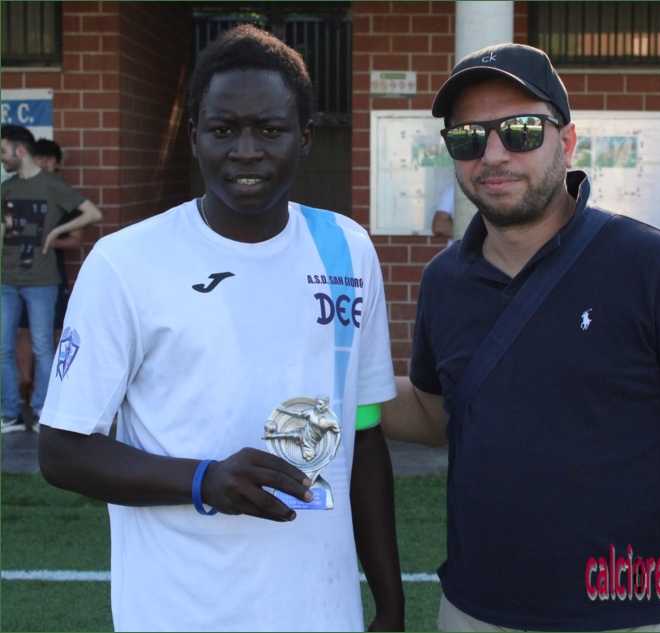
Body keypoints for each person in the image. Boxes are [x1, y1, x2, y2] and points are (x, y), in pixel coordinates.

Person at [381, 43, 660, 632]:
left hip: (632, 616)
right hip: (473, 614)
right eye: (467, 137)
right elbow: (435, 415)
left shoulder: (656, 266)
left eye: (520, 131)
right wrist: (339, 389)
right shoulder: (444, 280)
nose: (493, 154)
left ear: (567, 142)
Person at [37, 25, 404, 632]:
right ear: (194, 136)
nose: (246, 151)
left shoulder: (347, 249)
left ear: (305, 137)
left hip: (321, 612)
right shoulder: (126, 262)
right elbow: (61, 451)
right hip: (179, 612)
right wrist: (204, 480)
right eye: (224, 129)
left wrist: (390, 605)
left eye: (270, 130)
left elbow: (363, 436)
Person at [1, 125, 102, 433]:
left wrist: (57, 230)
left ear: (19, 150)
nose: (2, 158)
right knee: (3, 348)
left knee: (44, 348)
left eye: (3, 151)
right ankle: (10, 414)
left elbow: (92, 213)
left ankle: (43, 411)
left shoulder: (51, 185)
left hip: (42, 280)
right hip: (6, 279)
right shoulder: (6, 188)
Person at [15, 138, 85, 408]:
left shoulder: (62, 194)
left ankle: (46, 394)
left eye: (49, 158)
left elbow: (76, 240)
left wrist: (48, 240)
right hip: (16, 272)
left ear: (58, 163)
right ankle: (25, 384)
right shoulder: (18, 191)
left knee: (52, 332)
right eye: (39, 157)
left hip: (50, 274)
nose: (44, 162)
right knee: (22, 330)